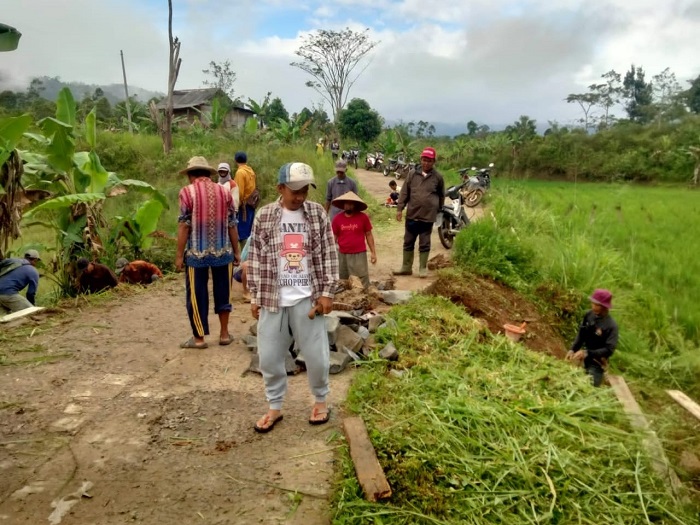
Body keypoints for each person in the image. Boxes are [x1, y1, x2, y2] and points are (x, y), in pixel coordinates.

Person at [248, 162, 339, 433]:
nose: (300, 196)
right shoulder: (264, 216)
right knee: (269, 358)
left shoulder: (316, 215)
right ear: (280, 188)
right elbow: (255, 257)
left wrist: (327, 293)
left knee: (317, 356)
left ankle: (321, 401)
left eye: (304, 191)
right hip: (273, 299)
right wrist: (255, 295)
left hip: (307, 299)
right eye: (294, 190)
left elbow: (329, 253)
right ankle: (275, 407)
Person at [176, 156, 241, 349]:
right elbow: (232, 225)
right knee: (224, 292)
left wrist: (179, 255)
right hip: (223, 252)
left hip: (197, 253)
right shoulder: (224, 191)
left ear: (190, 175)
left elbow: (184, 225)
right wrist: (237, 252)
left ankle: (199, 338)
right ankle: (224, 334)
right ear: (208, 174)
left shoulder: (187, 192)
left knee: (197, 295)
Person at [393, 146, 445, 278]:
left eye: (429, 161)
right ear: (421, 159)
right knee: (408, 241)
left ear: (434, 162)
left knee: (424, 242)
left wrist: (438, 210)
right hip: (412, 214)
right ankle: (406, 267)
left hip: (427, 217)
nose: (426, 163)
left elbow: (441, 195)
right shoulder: (412, 174)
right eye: (424, 160)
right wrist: (400, 209)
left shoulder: (438, 177)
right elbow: (404, 192)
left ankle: (422, 268)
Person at [566, 289, 619, 387]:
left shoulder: (611, 326)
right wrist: (572, 349)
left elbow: (609, 349)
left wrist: (587, 353)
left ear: (604, 307)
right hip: (582, 357)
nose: (593, 307)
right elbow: (581, 334)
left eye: (597, 305)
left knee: (590, 386)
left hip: (596, 362)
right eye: (592, 304)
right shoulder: (589, 315)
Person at [331, 191, 377, 288]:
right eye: (346, 203)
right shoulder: (337, 219)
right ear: (343, 205)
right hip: (343, 254)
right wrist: (330, 254)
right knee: (343, 279)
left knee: (361, 278)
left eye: (351, 203)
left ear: (355, 205)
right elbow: (333, 237)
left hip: (359, 254)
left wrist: (373, 253)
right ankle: (346, 298)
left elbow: (369, 234)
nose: (348, 206)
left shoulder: (363, 217)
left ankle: (364, 297)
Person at [233, 151, 257, 252]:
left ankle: (243, 257)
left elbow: (239, 192)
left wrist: (236, 207)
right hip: (251, 204)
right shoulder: (250, 170)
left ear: (235, 160)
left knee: (242, 233)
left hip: (244, 207)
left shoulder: (240, 172)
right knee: (248, 231)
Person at [233, 237, 250, 301]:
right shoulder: (252, 239)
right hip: (240, 270)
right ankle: (246, 293)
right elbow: (242, 262)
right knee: (247, 264)